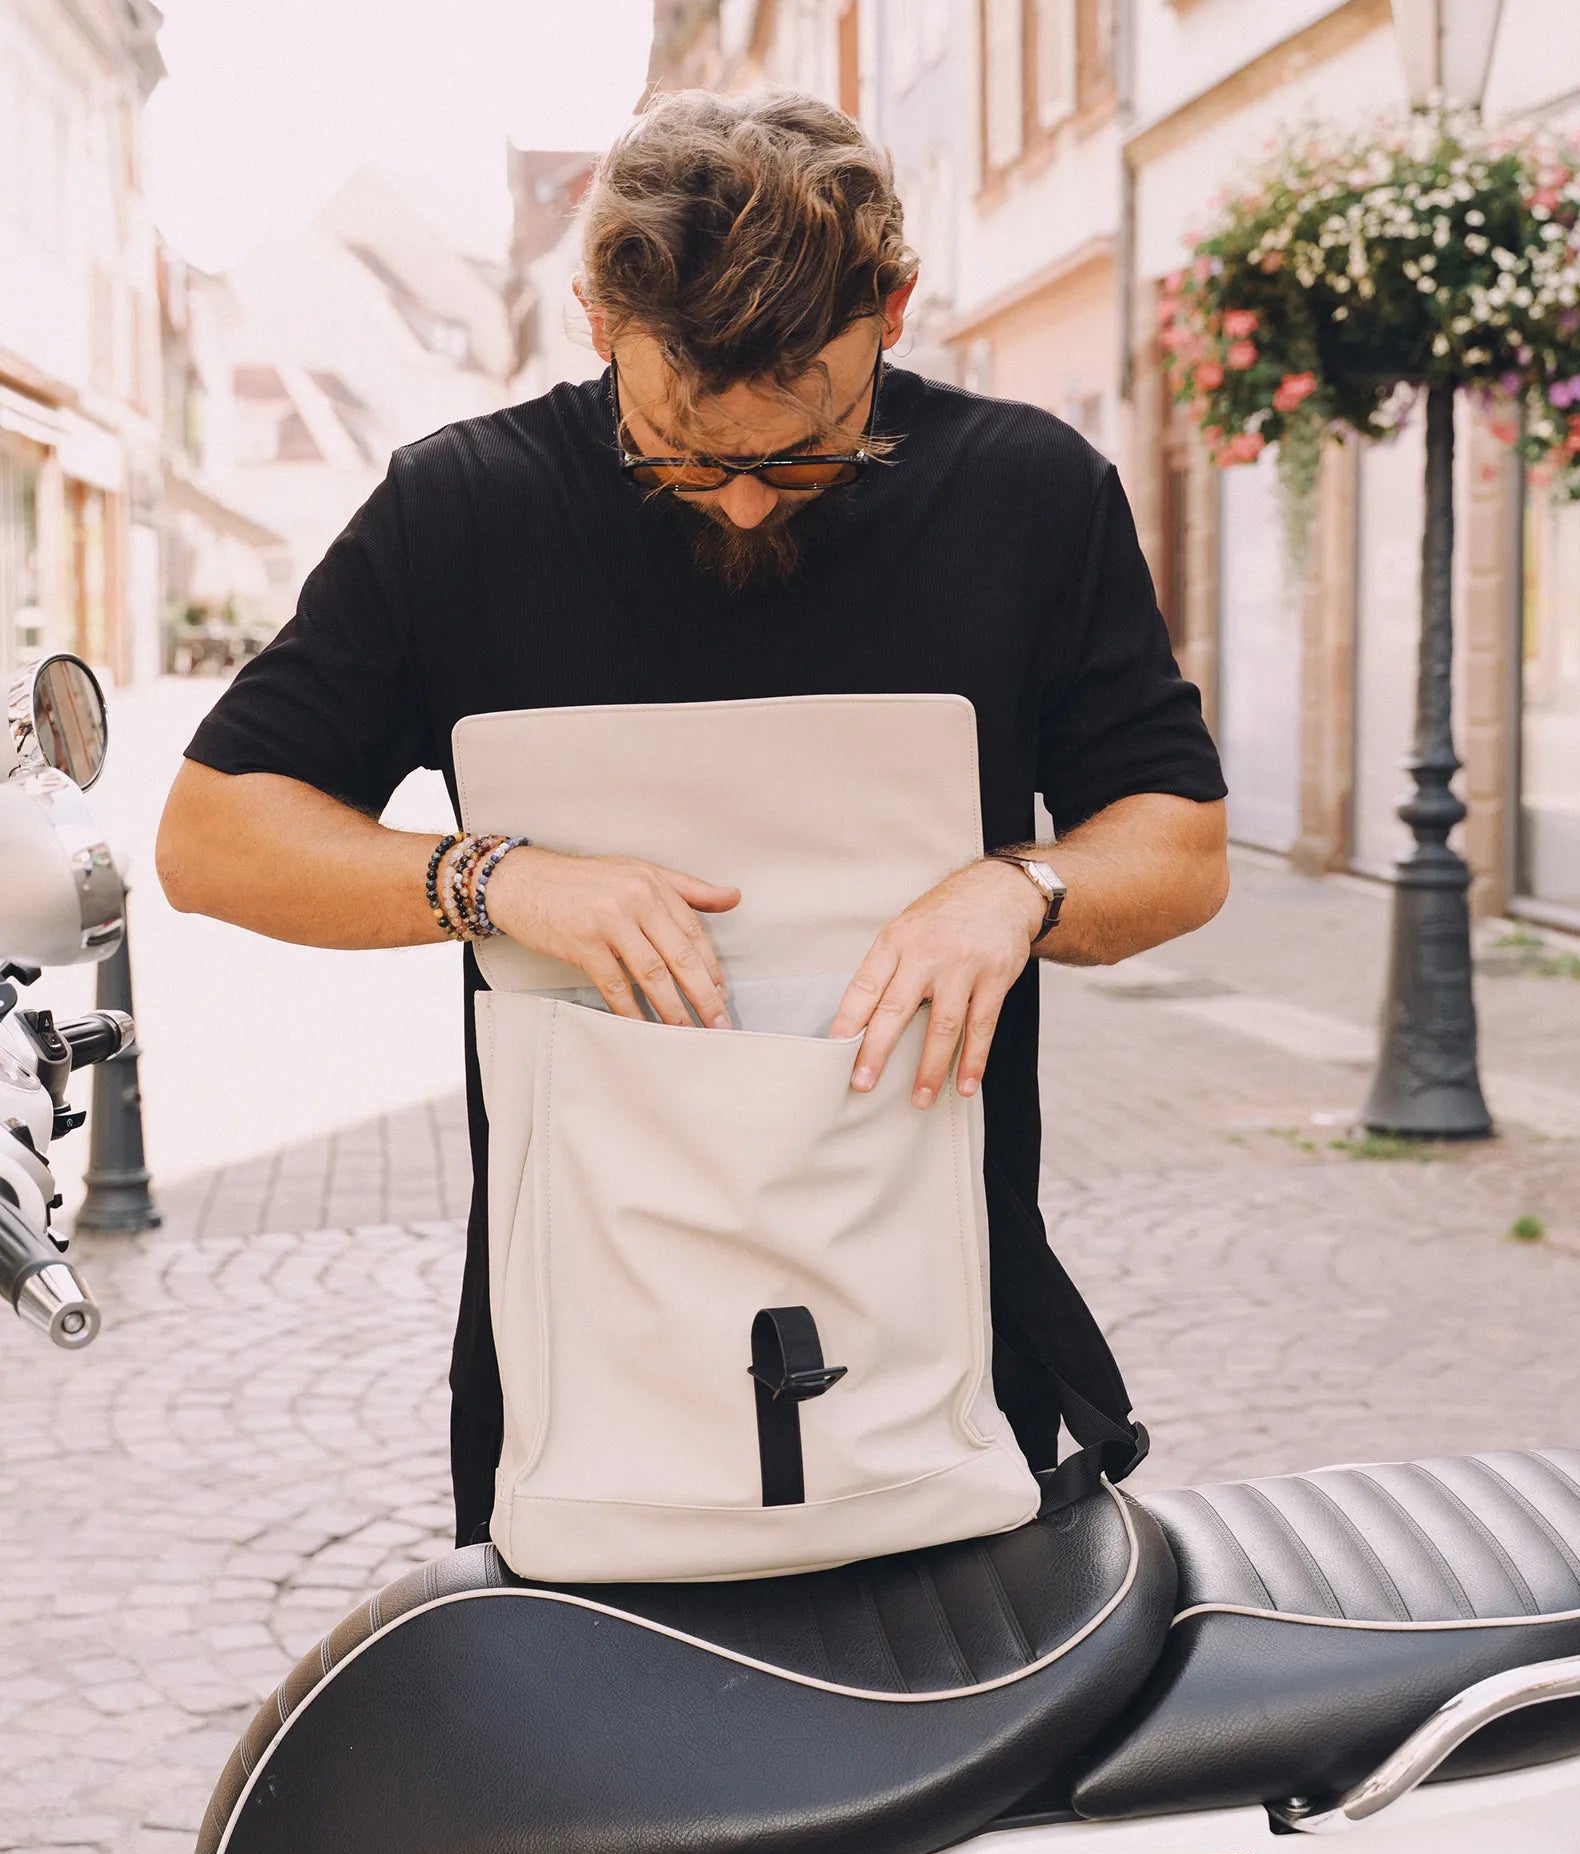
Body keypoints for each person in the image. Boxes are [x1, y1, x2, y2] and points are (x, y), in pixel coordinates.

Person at [156, 89, 1228, 1548]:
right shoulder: (458, 511)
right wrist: (494, 880)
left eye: (801, 454)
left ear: (893, 314)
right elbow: (212, 838)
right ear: (601, 324)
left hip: (942, 1300)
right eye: (677, 448)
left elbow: (1175, 840)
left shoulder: (1027, 495)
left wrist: (1018, 888)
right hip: (577, 1338)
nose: (734, 506)